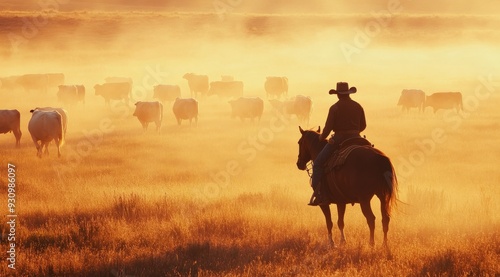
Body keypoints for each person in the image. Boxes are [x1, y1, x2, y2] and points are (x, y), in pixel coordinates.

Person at [308, 82, 366, 206]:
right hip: (357, 137)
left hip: (340, 138)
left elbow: (328, 128)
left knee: (317, 163)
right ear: (348, 93)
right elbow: (363, 125)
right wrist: (355, 132)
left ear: (338, 94)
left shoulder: (335, 108)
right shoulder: (358, 106)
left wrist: (321, 137)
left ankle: (320, 195)